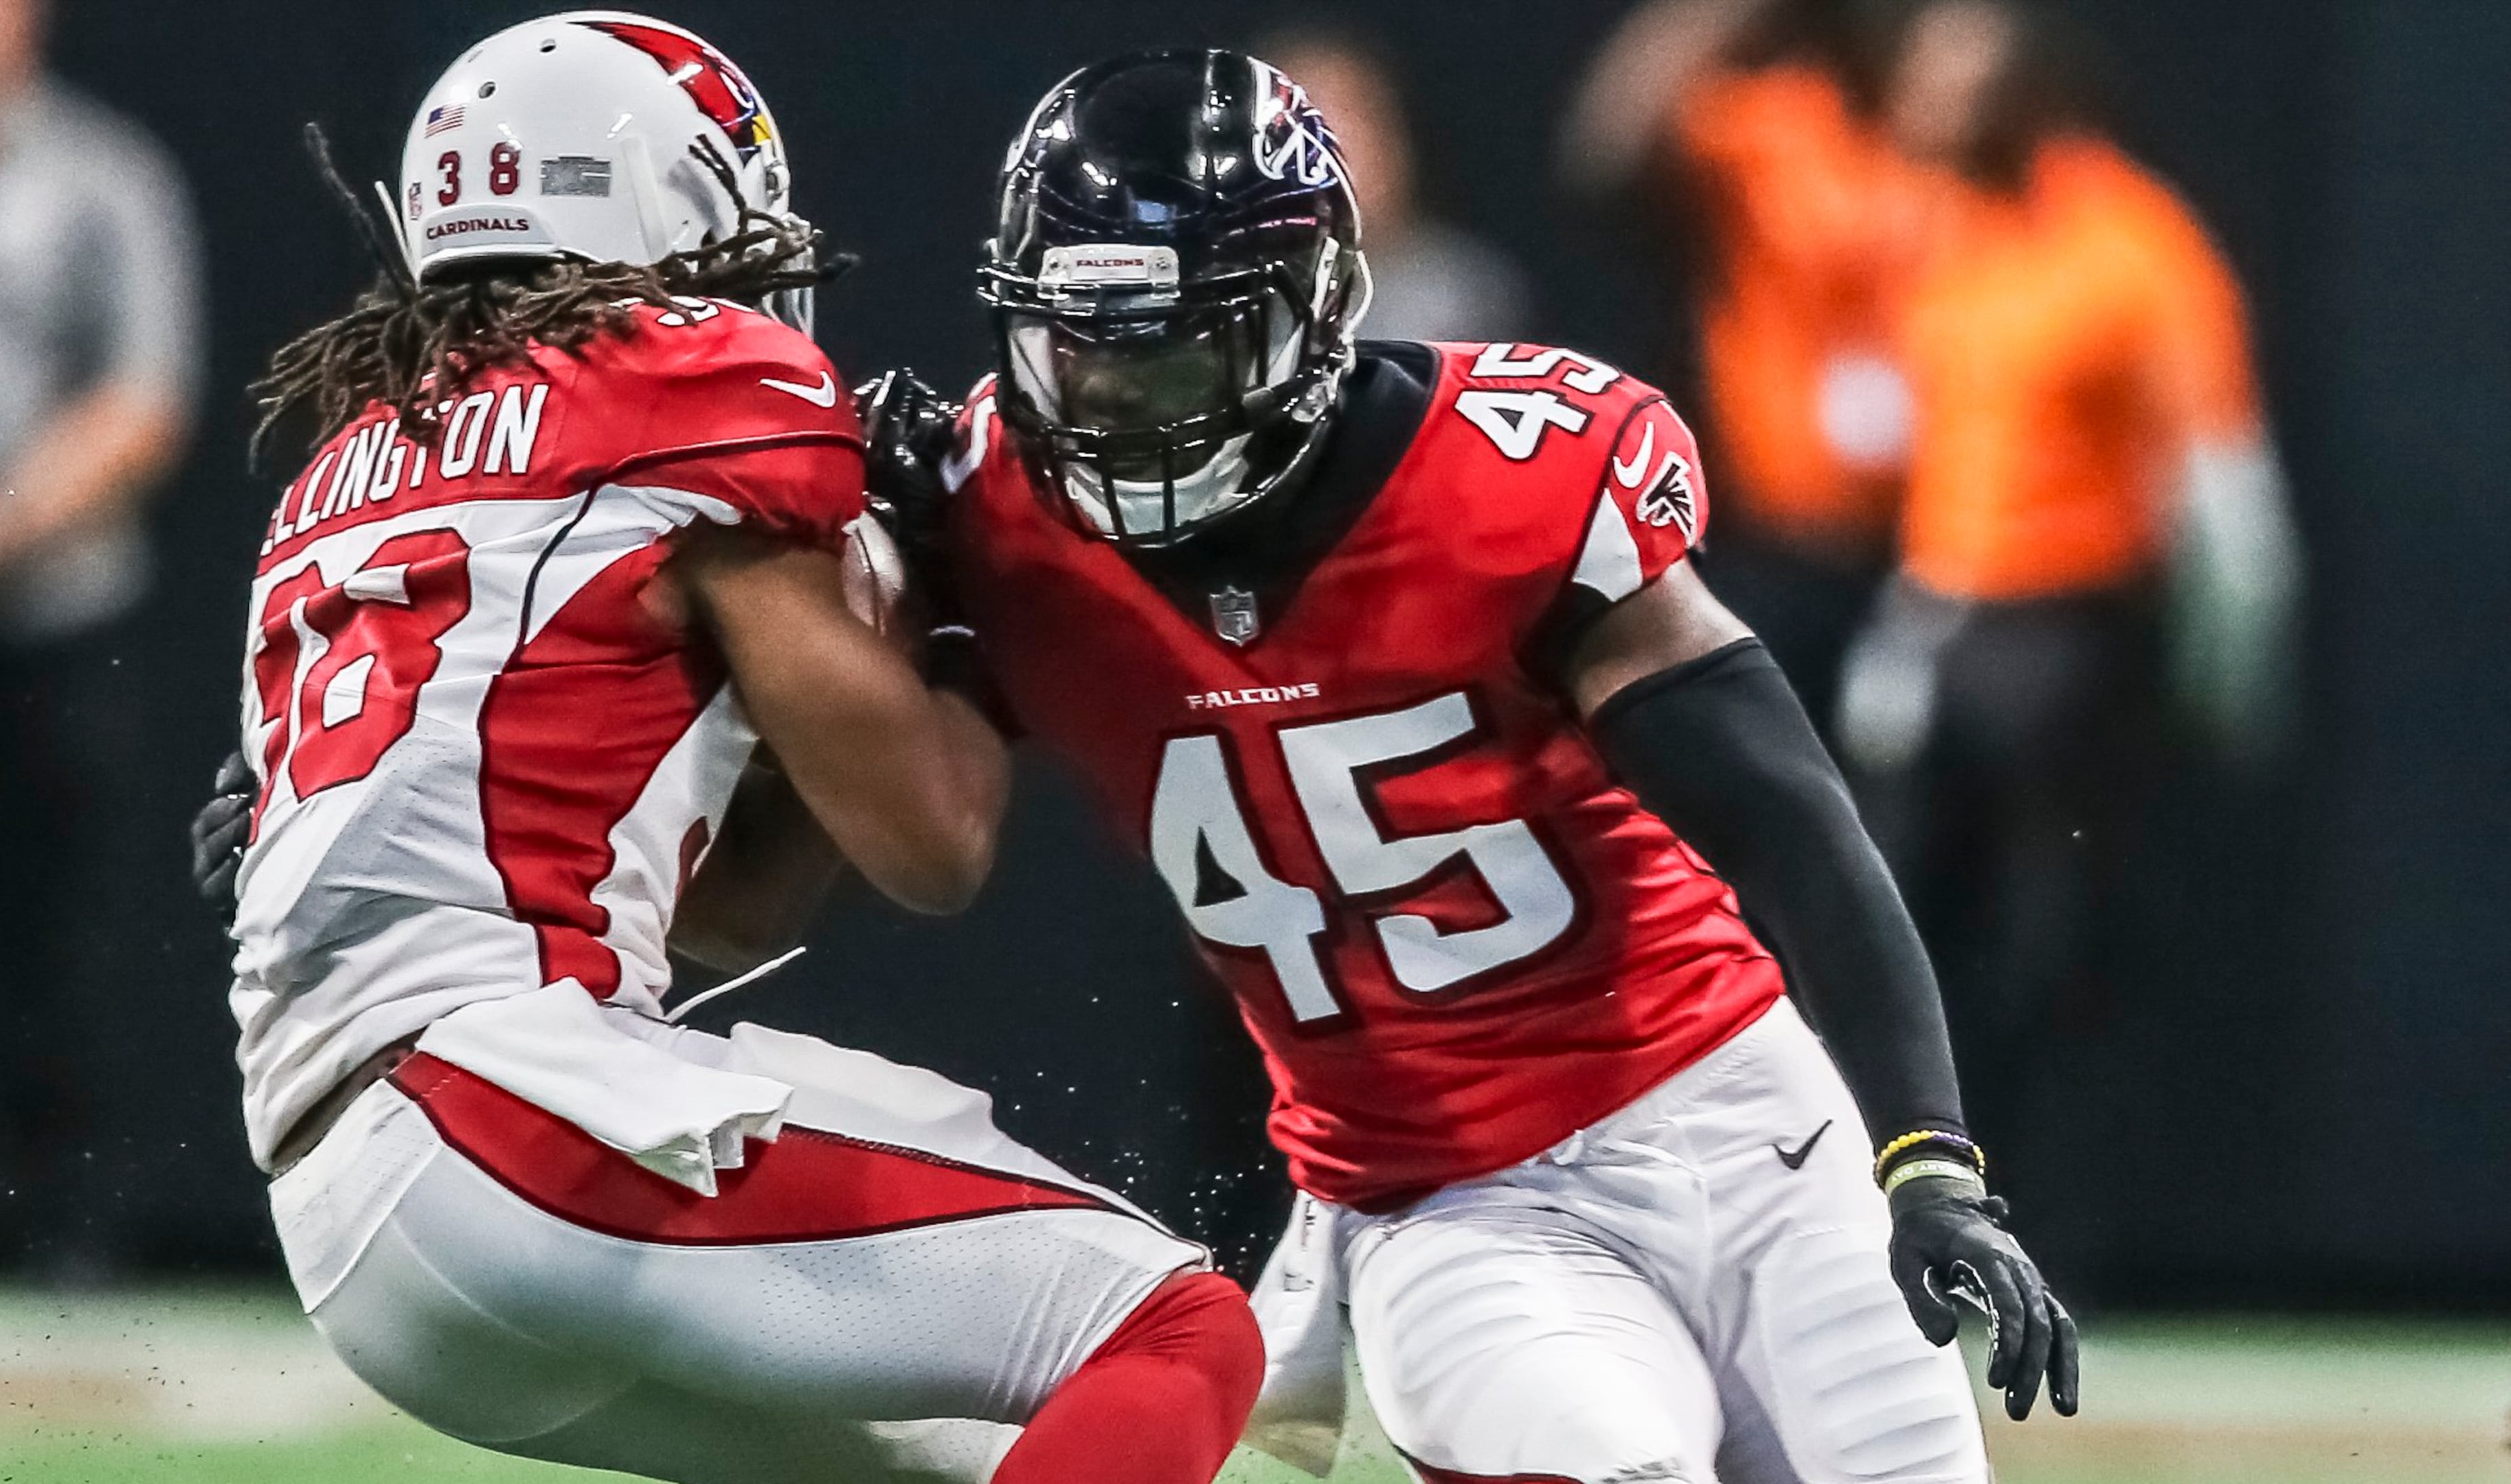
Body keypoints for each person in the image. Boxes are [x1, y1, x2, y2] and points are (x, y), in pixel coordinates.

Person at [868, 49, 2075, 1484]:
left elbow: (1794, 827)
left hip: (1746, 1130)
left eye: (1175, 350)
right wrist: (855, 564)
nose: (1121, 405)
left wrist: (1929, 1156)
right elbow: (917, 832)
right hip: (1447, 1205)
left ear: (1304, 315)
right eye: (1082, 346)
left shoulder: (1507, 477)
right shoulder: (985, 515)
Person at [189, 16, 1258, 1483]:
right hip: (503, 1108)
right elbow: (934, 845)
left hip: (347, 1215)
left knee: (946, 1456)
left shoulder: (346, 466)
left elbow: (730, 910)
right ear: (656, 198)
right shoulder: (678, 381)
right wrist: (957, 604)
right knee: (1176, 1331)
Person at [1836, 0, 2301, 1153]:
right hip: (1942, 621)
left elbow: (2226, 491)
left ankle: (2051, 1232)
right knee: (1889, 930)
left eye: (1957, 70)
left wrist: (2230, 677)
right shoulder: (1932, 225)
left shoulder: (2130, 240)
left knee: (2049, 951)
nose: (1923, 94)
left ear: (2027, 84)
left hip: (2071, 638)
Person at [0, 0, 198, 1271]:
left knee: (48, 935)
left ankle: (66, 1219)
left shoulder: (103, 176)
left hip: (48, 616)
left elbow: (143, 394)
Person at [1562, 0, 1926, 736]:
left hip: (1947, 551)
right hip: (1786, 542)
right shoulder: (1779, 123)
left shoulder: (1954, 137)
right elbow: (1609, 152)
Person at [1261, 21, 1531, 343]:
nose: (1333, 146)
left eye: (1352, 117)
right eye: (1299, 125)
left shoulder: (1462, 292)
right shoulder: (1219, 296)